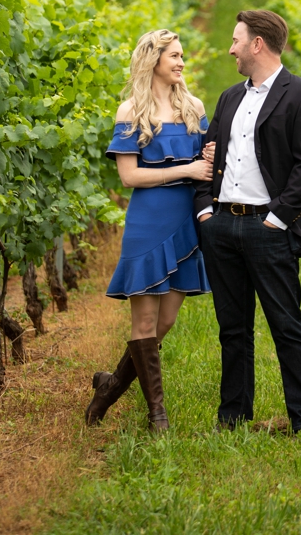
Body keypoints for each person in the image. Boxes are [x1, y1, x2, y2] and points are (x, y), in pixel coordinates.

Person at [194, 9, 301, 435]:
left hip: (267, 229)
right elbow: (207, 155)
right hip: (221, 226)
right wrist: (204, 209)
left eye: (236, 40)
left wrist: (277, 219)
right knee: (232, 330)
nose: (230, 48)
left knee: (287, 327)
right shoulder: (230, 96)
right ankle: (232, 418)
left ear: (257, 44)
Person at [86, 29, 212, 432]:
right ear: (152, 60)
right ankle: (157, 413)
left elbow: (210, 158)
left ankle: (108, 388)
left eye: (182, 56)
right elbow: (129, 177)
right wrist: (187, 169)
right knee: (143, 323)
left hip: (185, 221)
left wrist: (209, 154)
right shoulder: (131, 112)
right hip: (148, 221)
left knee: (166, 322)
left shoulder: (194, 107)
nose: (181, 63)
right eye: (174, 56)